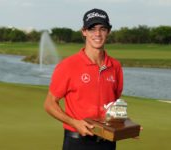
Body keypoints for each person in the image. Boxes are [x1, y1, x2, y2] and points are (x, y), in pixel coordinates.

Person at [44, 8, 123, 150]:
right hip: (77, 142)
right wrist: (74, 122)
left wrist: (125, 126)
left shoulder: (115, 66)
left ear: (108, 32)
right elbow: (49, 104)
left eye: (102, 29)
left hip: (108, 142)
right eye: (92, 29)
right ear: (84, 32)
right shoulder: (68, 66)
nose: (97, 34)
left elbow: (113, 104)